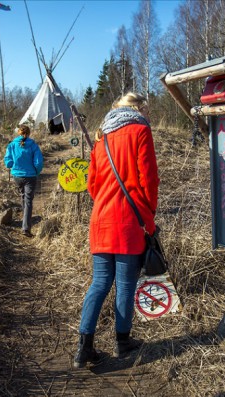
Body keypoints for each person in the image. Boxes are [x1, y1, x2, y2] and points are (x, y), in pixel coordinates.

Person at [73, 92, 160, 368]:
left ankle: (84, 347)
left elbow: (93, 185)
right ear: (137, 108)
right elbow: (149, 179)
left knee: (99, 283)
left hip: (101, 219)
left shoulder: (102, 138)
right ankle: (123, 342)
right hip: (128, 222)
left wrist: (106, 202)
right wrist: (149, 214)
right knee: (125, 284)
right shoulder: (140, 130)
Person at [4, 125, 44, 237]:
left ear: (18, 133)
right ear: (29, 133)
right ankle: (26, 228)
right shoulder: (33, 145)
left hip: (17, 176)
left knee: (23, 197)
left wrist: (12, 166)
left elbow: (8, 161)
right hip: (30, 176)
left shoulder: (11, 145)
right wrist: (36, 171)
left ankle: (25, 220)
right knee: (28, 201)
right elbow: (38, 162)